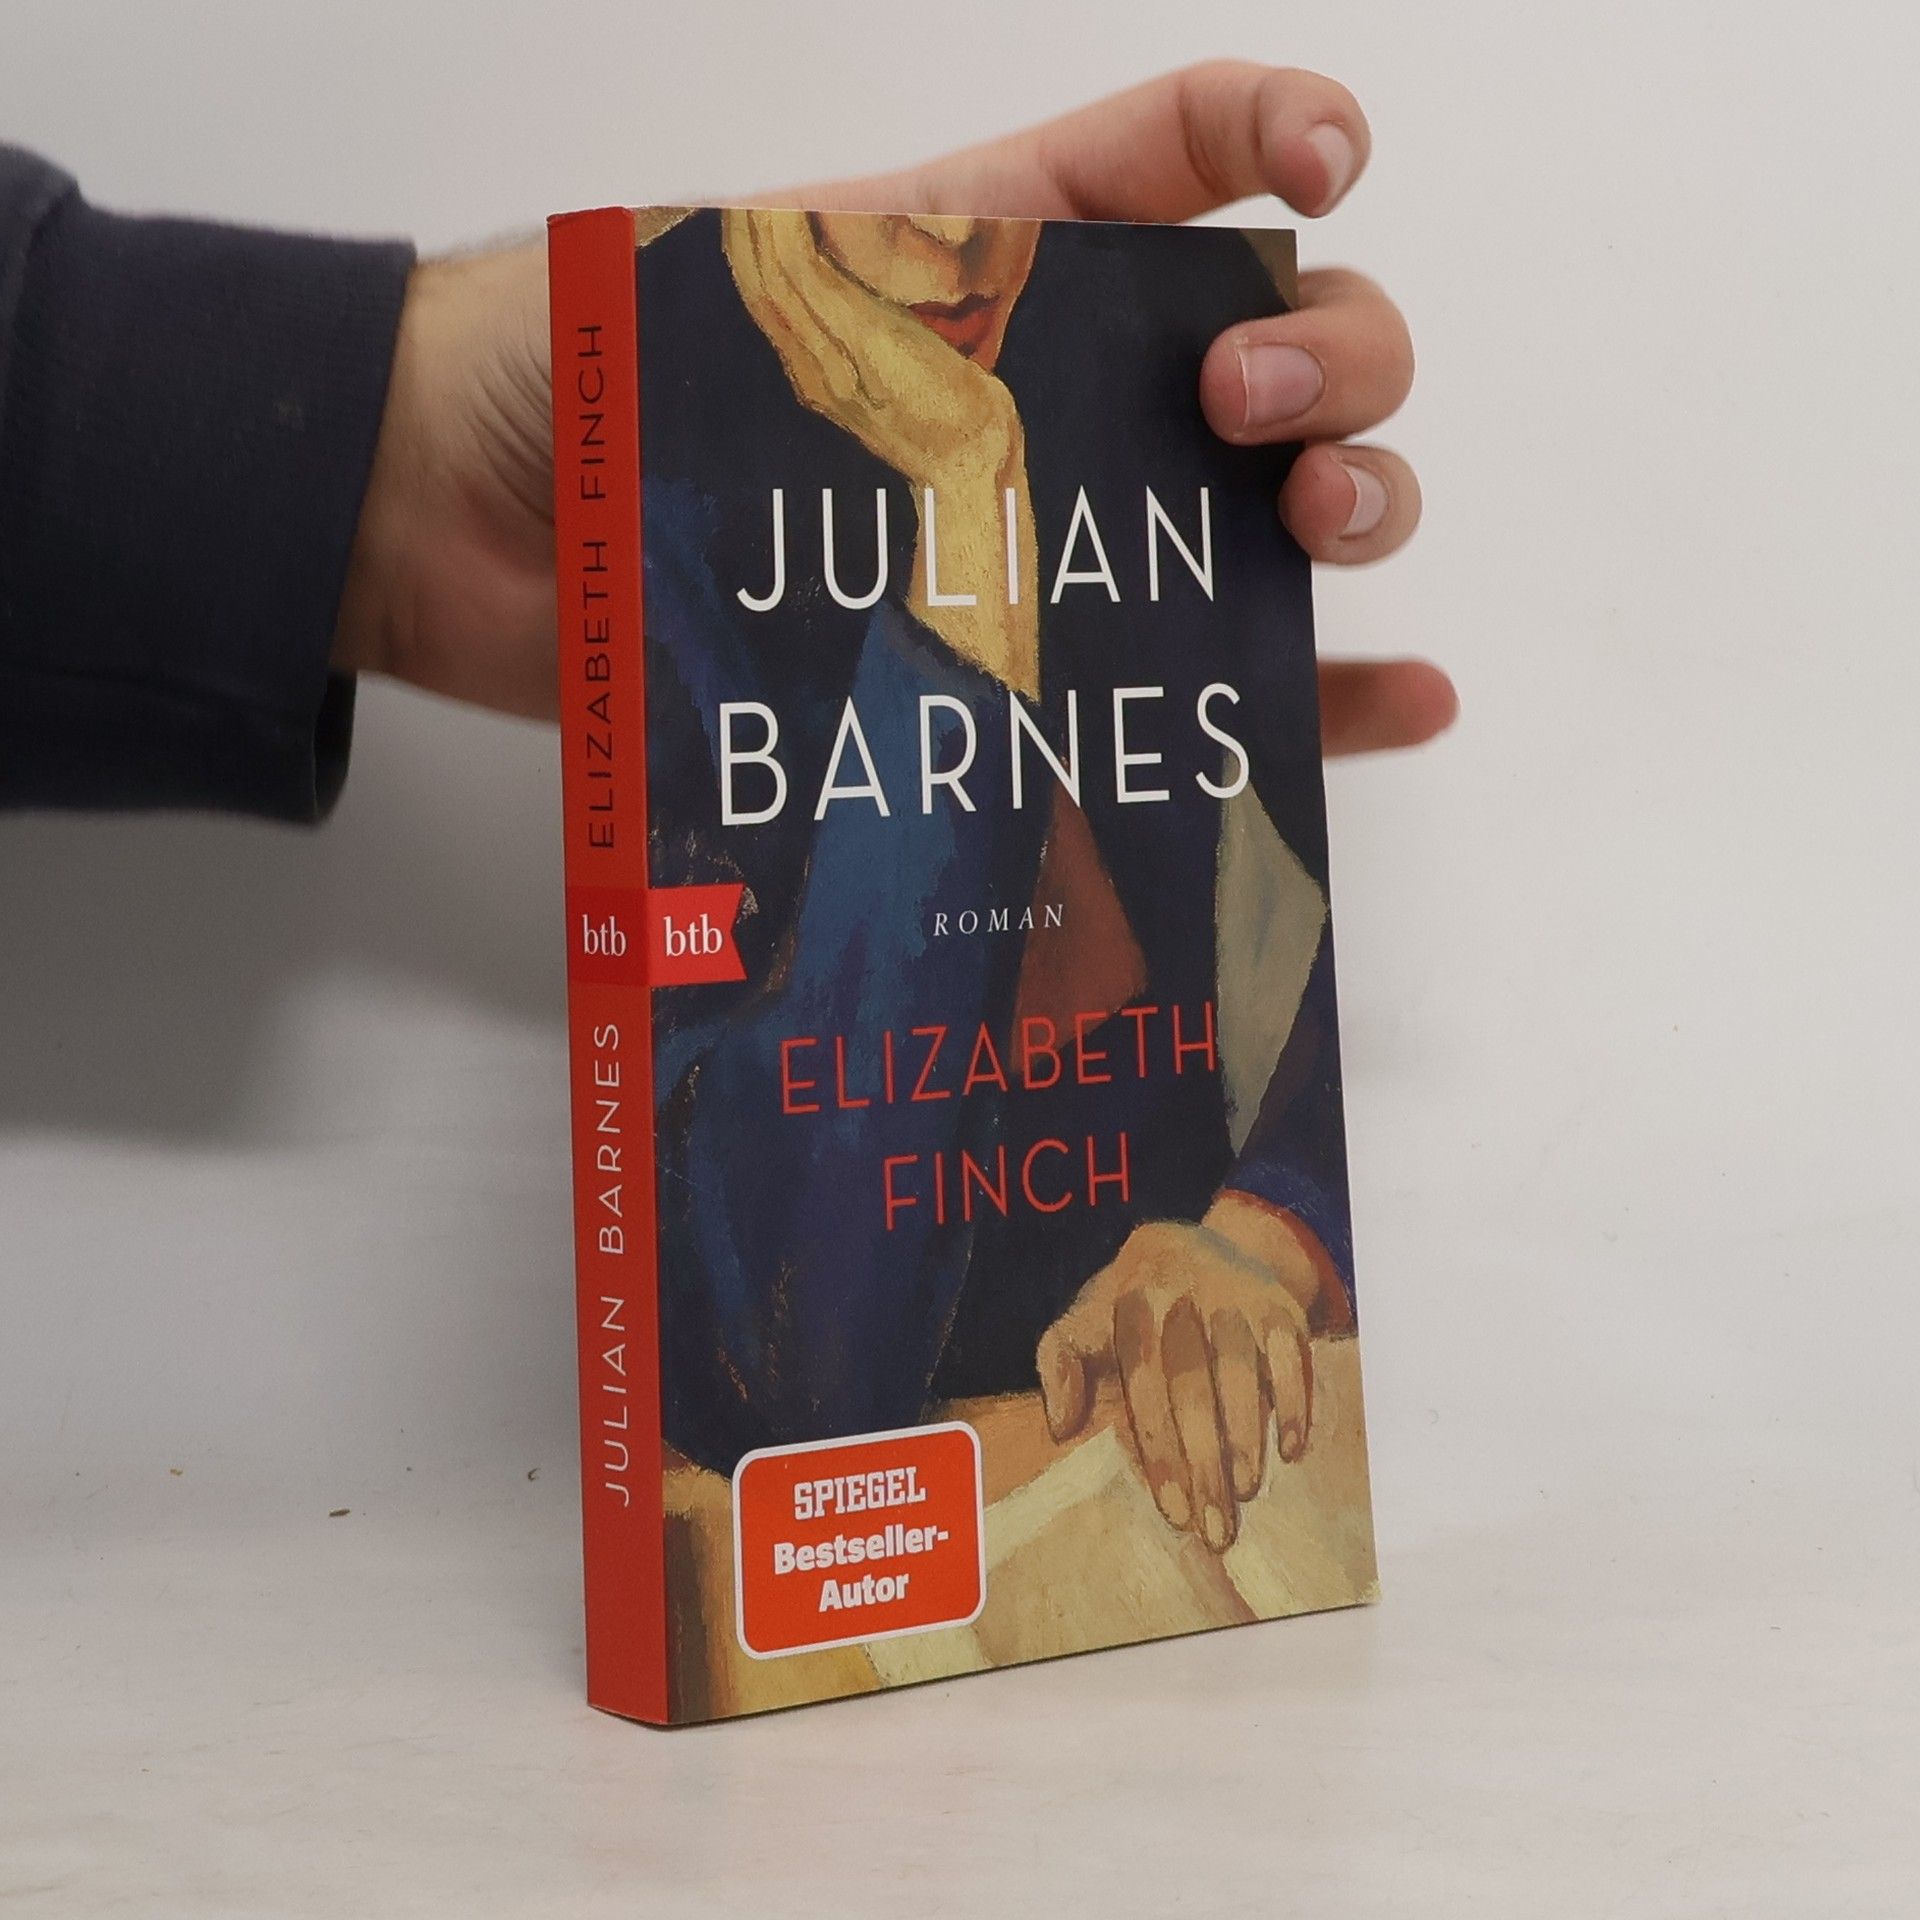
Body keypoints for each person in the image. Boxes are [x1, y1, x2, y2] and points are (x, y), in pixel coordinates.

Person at [0, 62, 1454, 1545]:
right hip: (863, 1498)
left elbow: (1300, 944)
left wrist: (1273, 1223)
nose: (961, 247)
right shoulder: (651, 400)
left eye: (993, 228)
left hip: (1171, 1439)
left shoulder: (1119, 324)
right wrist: (966, 512)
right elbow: (797, 1356)